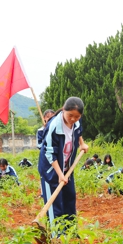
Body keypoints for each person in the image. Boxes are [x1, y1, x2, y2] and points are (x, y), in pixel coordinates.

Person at [38, 97, 89, 234]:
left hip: (67, 167)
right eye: (70, 115)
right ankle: (57, 236)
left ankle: (71, 232)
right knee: (56, 205)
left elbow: (78, 132)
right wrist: (60, 175)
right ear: (63, 110)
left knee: (69, 198)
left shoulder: (77, 123)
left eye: (77, 116)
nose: (73, 119)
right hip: (51, 170)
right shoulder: (53, 126)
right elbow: (50, 154)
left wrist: (82, 143)